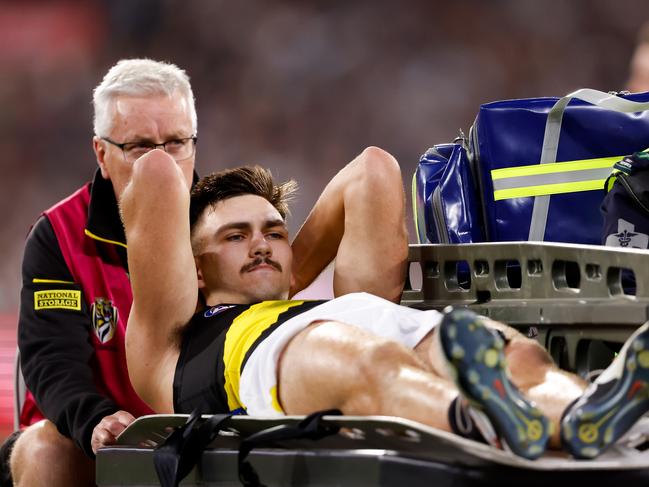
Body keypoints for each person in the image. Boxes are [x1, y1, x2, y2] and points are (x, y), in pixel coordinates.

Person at [122, 149, 648, 461]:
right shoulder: (167, 346)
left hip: (357, 319)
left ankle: (581, 414)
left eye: (273, 233)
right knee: (374, 363)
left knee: (517, 358)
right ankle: (481, 418)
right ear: (192, 268)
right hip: (271, 355)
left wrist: (278, 270)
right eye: (236, 236)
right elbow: (156, 174)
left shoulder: (350, 297)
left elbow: (371, 170)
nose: (260, 243)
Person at [6, 58, 199, 487]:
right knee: (43, 452)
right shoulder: (59, 236)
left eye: (175, 143)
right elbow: (52, 359)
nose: (161, 165)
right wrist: (94, 419)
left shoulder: (228, 226)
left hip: (199, 435)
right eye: (141, 147)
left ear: (194, 145)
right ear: (102, 154)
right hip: (88, 438)